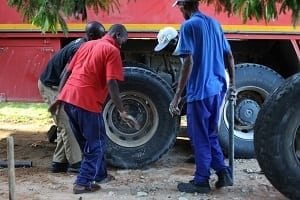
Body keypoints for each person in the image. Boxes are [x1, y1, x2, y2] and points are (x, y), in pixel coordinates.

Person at [55, 24, 139, 194]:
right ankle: (82, 183)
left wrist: (59, 98)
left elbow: (66, 72)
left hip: (70, 99)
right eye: (123, 40)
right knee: (96, 144)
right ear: (116, 35)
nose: (123, 44)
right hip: (87, 102)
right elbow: (111, 82)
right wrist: (122, 110)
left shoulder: (86, 45)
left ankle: (100, 175)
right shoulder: (112, 50)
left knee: (87, 142)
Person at [170, 0, 236, 193]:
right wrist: (233, 83)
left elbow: (188, 61)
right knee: (210, 134)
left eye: (179, 7)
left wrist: (177, 96)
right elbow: (229, 55)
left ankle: (201, 180)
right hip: (217, 89)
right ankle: (223, 173)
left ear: (183, 6)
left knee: (199, 137)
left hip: (200, 92)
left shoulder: (188, 25)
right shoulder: (215, 24)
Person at [38, 21, 106, 173]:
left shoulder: (84, 43)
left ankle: (58, 163)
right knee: (67, 125)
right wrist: (61, 98)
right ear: (92, 36)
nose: (103, 40)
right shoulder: (80, 48)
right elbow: (65, 75)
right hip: (52, 86)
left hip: (57, 86)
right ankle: (76, 163)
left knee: (65, 125)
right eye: (101, 36)